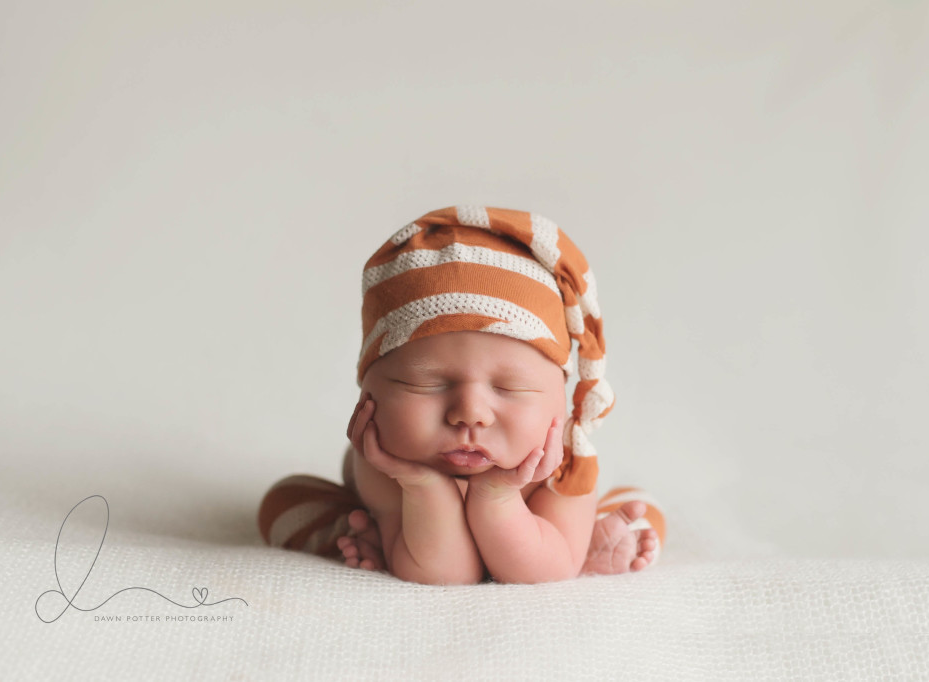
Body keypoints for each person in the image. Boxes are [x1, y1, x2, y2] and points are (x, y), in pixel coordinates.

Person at [258, 206, 665, 584]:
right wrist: (421, 485)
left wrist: (498, 496)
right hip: (394, 495)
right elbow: (447, 574)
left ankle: (586, 543)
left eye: (509, 388)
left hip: (543, 530)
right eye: (427, 384)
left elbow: (542, 574)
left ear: (560, 397)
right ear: (368, 392)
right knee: (283, 501)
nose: (470, 414)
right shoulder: (390, 460)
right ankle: (363, 531)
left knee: (641, 511)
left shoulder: (561, 464)